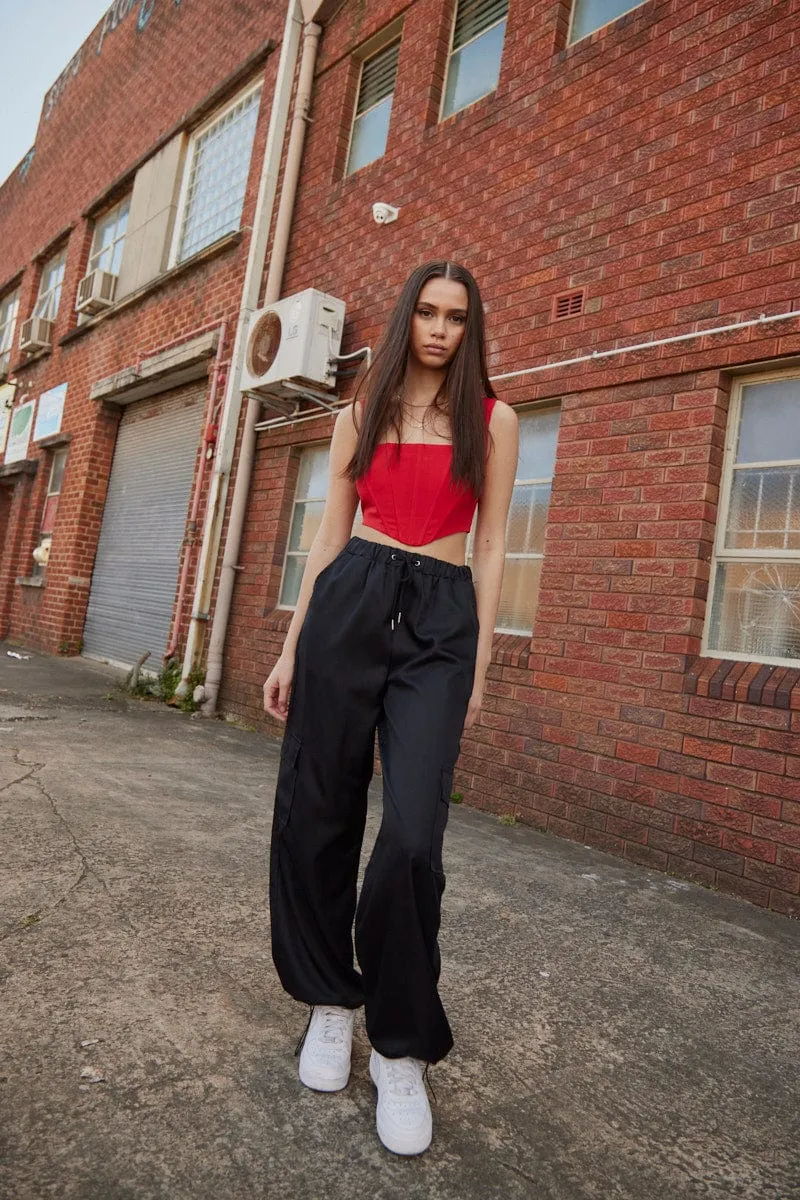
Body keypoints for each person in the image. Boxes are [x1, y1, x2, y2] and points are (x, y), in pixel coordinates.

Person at [263, 259, 518, 1156]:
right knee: (317, 812)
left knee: (412, 834)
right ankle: (332, 1002)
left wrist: (479, 664)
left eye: (456, 316)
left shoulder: (496, 420)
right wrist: (293, 645)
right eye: (427, 312)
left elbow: (491, 550)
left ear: (470, 326)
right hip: (352, 601)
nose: (440, 329)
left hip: (442, 617)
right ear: (406, 316)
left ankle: (400, 1046)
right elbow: (326, 537)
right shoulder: (355, 417)